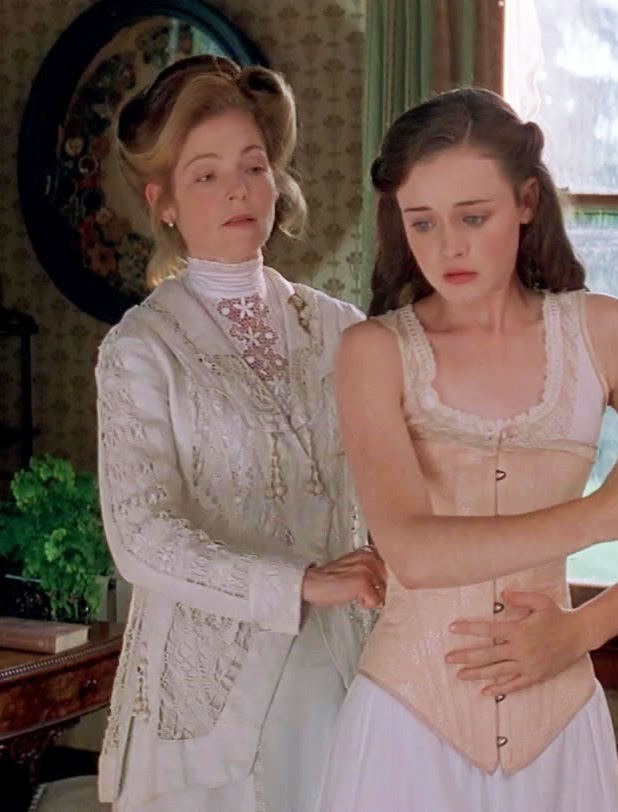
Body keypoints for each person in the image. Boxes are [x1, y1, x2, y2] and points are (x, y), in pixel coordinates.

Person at [317, 87, 618, 811]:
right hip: (406, 725)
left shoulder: (603, 333)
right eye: (422, 222)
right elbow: (412, 553)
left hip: (559, 722)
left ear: (525, 201)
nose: (448, 247)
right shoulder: (373, 351)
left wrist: (582, 631)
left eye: (473, 216)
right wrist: (604, 515)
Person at [95, 55, 386, 812]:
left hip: (344, 677)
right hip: (205, 712)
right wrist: (300, 582)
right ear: (162, 202)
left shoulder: (342, 330)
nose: (238, 189)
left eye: (253, 166)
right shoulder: (141, 349)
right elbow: (141, 537)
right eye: (207, 174)